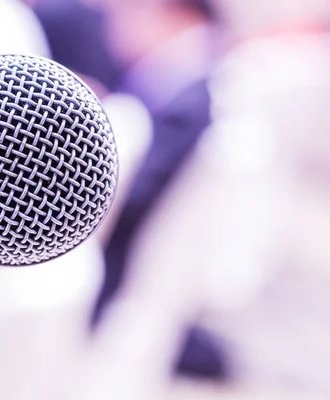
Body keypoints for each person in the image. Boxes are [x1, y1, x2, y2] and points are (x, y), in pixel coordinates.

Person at [90, 0, 228, 380]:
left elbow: (124, 202)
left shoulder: (186, 100)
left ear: (175, 14)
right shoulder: (181, 82)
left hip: (111, 284)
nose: (113, 15)